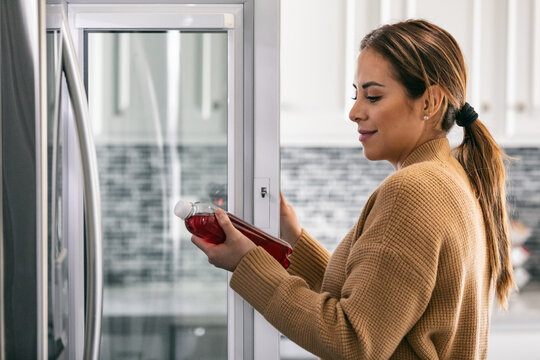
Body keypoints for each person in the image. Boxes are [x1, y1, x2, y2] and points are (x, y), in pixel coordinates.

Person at [190, 19, 515, 359]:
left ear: (430, 102)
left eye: (373, 96)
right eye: (356, 94)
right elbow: (377, 304)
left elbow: (353, 341)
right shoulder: (448, 178)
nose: (354, 112)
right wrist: (293, 239)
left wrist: (248, 264)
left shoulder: (414, 190)